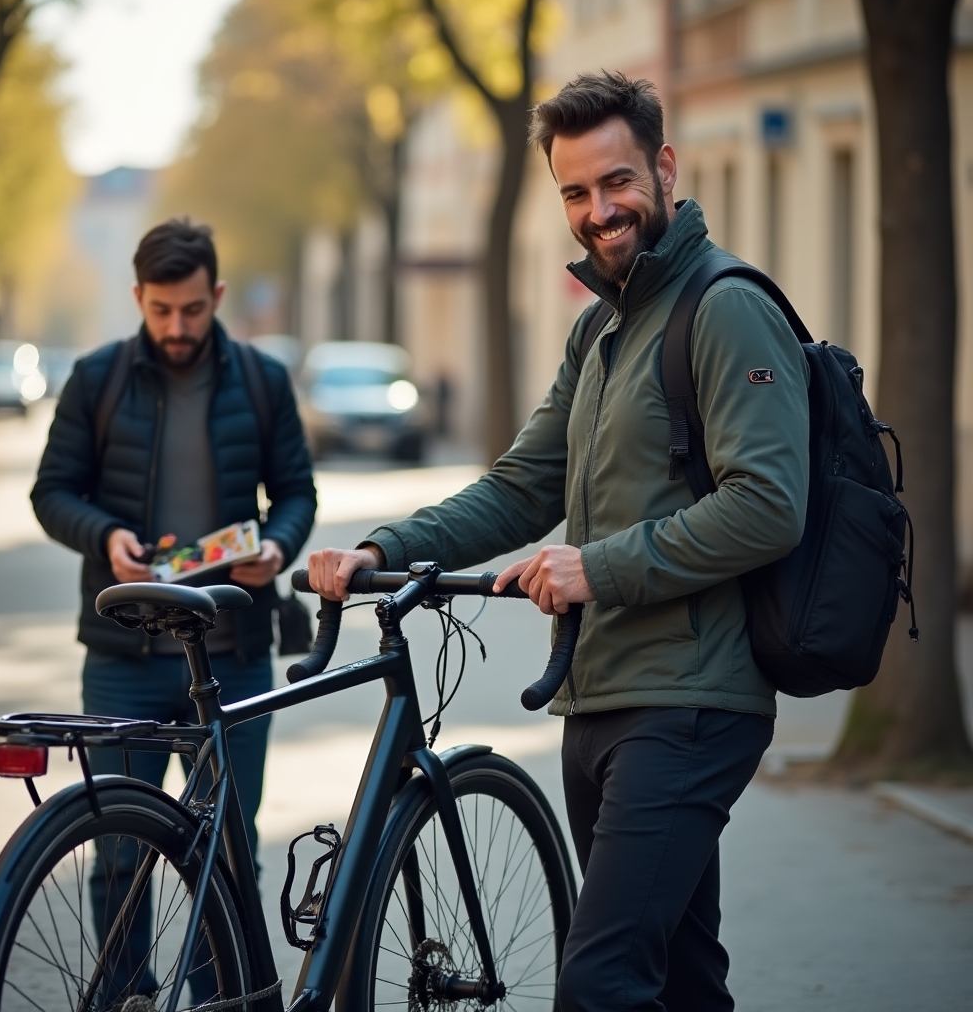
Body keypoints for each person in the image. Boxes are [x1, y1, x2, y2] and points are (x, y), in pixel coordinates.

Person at [307, 73, 810, 1012]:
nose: (598, 212)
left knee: (601, 981)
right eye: (575, 193)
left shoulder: (724, 305)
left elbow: (769, 504)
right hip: (600, 698)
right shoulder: (600, 330)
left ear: (665, 168)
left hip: (692, 702)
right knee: (680, 981)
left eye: (616, 183)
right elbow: (520, 486)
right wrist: (382, 548)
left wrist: (598, 567)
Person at [32, 218, 316, 999]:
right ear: (138, 299)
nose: (177, 327)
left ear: (216, 296)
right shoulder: (98, 379)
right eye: (161, 310)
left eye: (192, 309)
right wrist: (106, 536)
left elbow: (296, 492)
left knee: (226, 851)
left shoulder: (260, 379)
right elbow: (51, 492)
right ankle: (128, 996)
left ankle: (218, 999)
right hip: (123, 657)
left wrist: (280, 548)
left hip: (232, 655)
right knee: (119, 850)